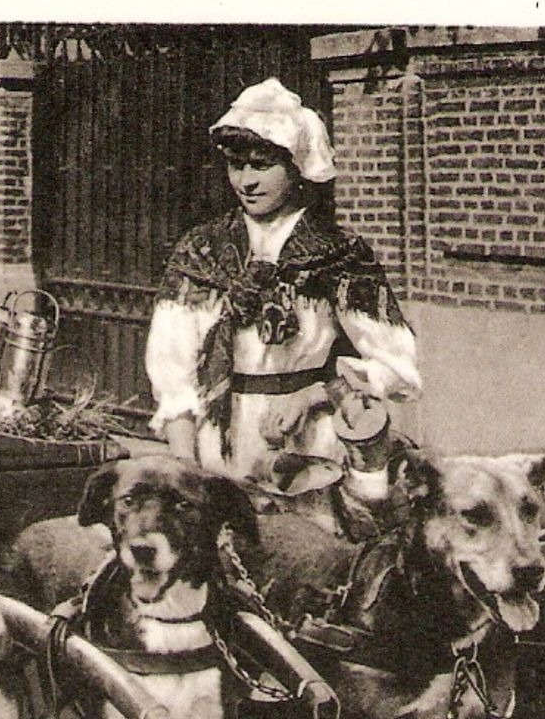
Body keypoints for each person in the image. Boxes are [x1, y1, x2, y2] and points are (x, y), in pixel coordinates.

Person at [145, 77, 421, 531]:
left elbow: (397, 362)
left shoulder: (338, 252)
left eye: (261, 165)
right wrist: (185, 468)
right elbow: (173, 369)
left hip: (311, 444)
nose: (246, 181)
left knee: (314, 566)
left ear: (297, 169)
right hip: (220, 444)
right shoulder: (202, 250)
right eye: (236, 166)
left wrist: (317, 394)